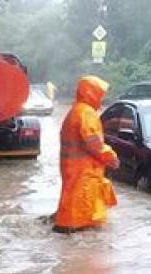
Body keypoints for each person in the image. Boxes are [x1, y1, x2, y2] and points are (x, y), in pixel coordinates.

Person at [54, 75, 119, 233]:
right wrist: (112, 158)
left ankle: (65, 227)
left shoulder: (75, 111)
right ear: (91, 93)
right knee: (82, 211)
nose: (102, 98)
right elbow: (95, 145)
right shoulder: (86, 114)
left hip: (74, 170)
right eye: (100, 93)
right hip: (84, 171)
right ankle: (70, 231)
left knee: (72, 204)